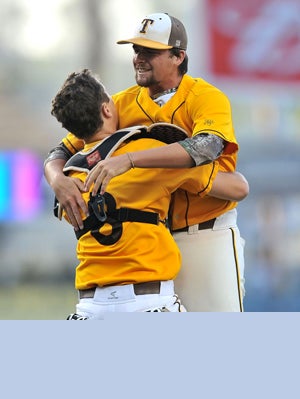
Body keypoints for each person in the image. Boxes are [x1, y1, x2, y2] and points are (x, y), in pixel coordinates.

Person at [44, 12, 248, 312]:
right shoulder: (121, 103)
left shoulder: (205, 97)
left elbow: (206, 147)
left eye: (150, 51)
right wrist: (57, 180)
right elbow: (60, 151)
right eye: (136, 49)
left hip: (205, 233)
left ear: (178, 56)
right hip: (149, 242)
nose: (139, 57)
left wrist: (130, 160)